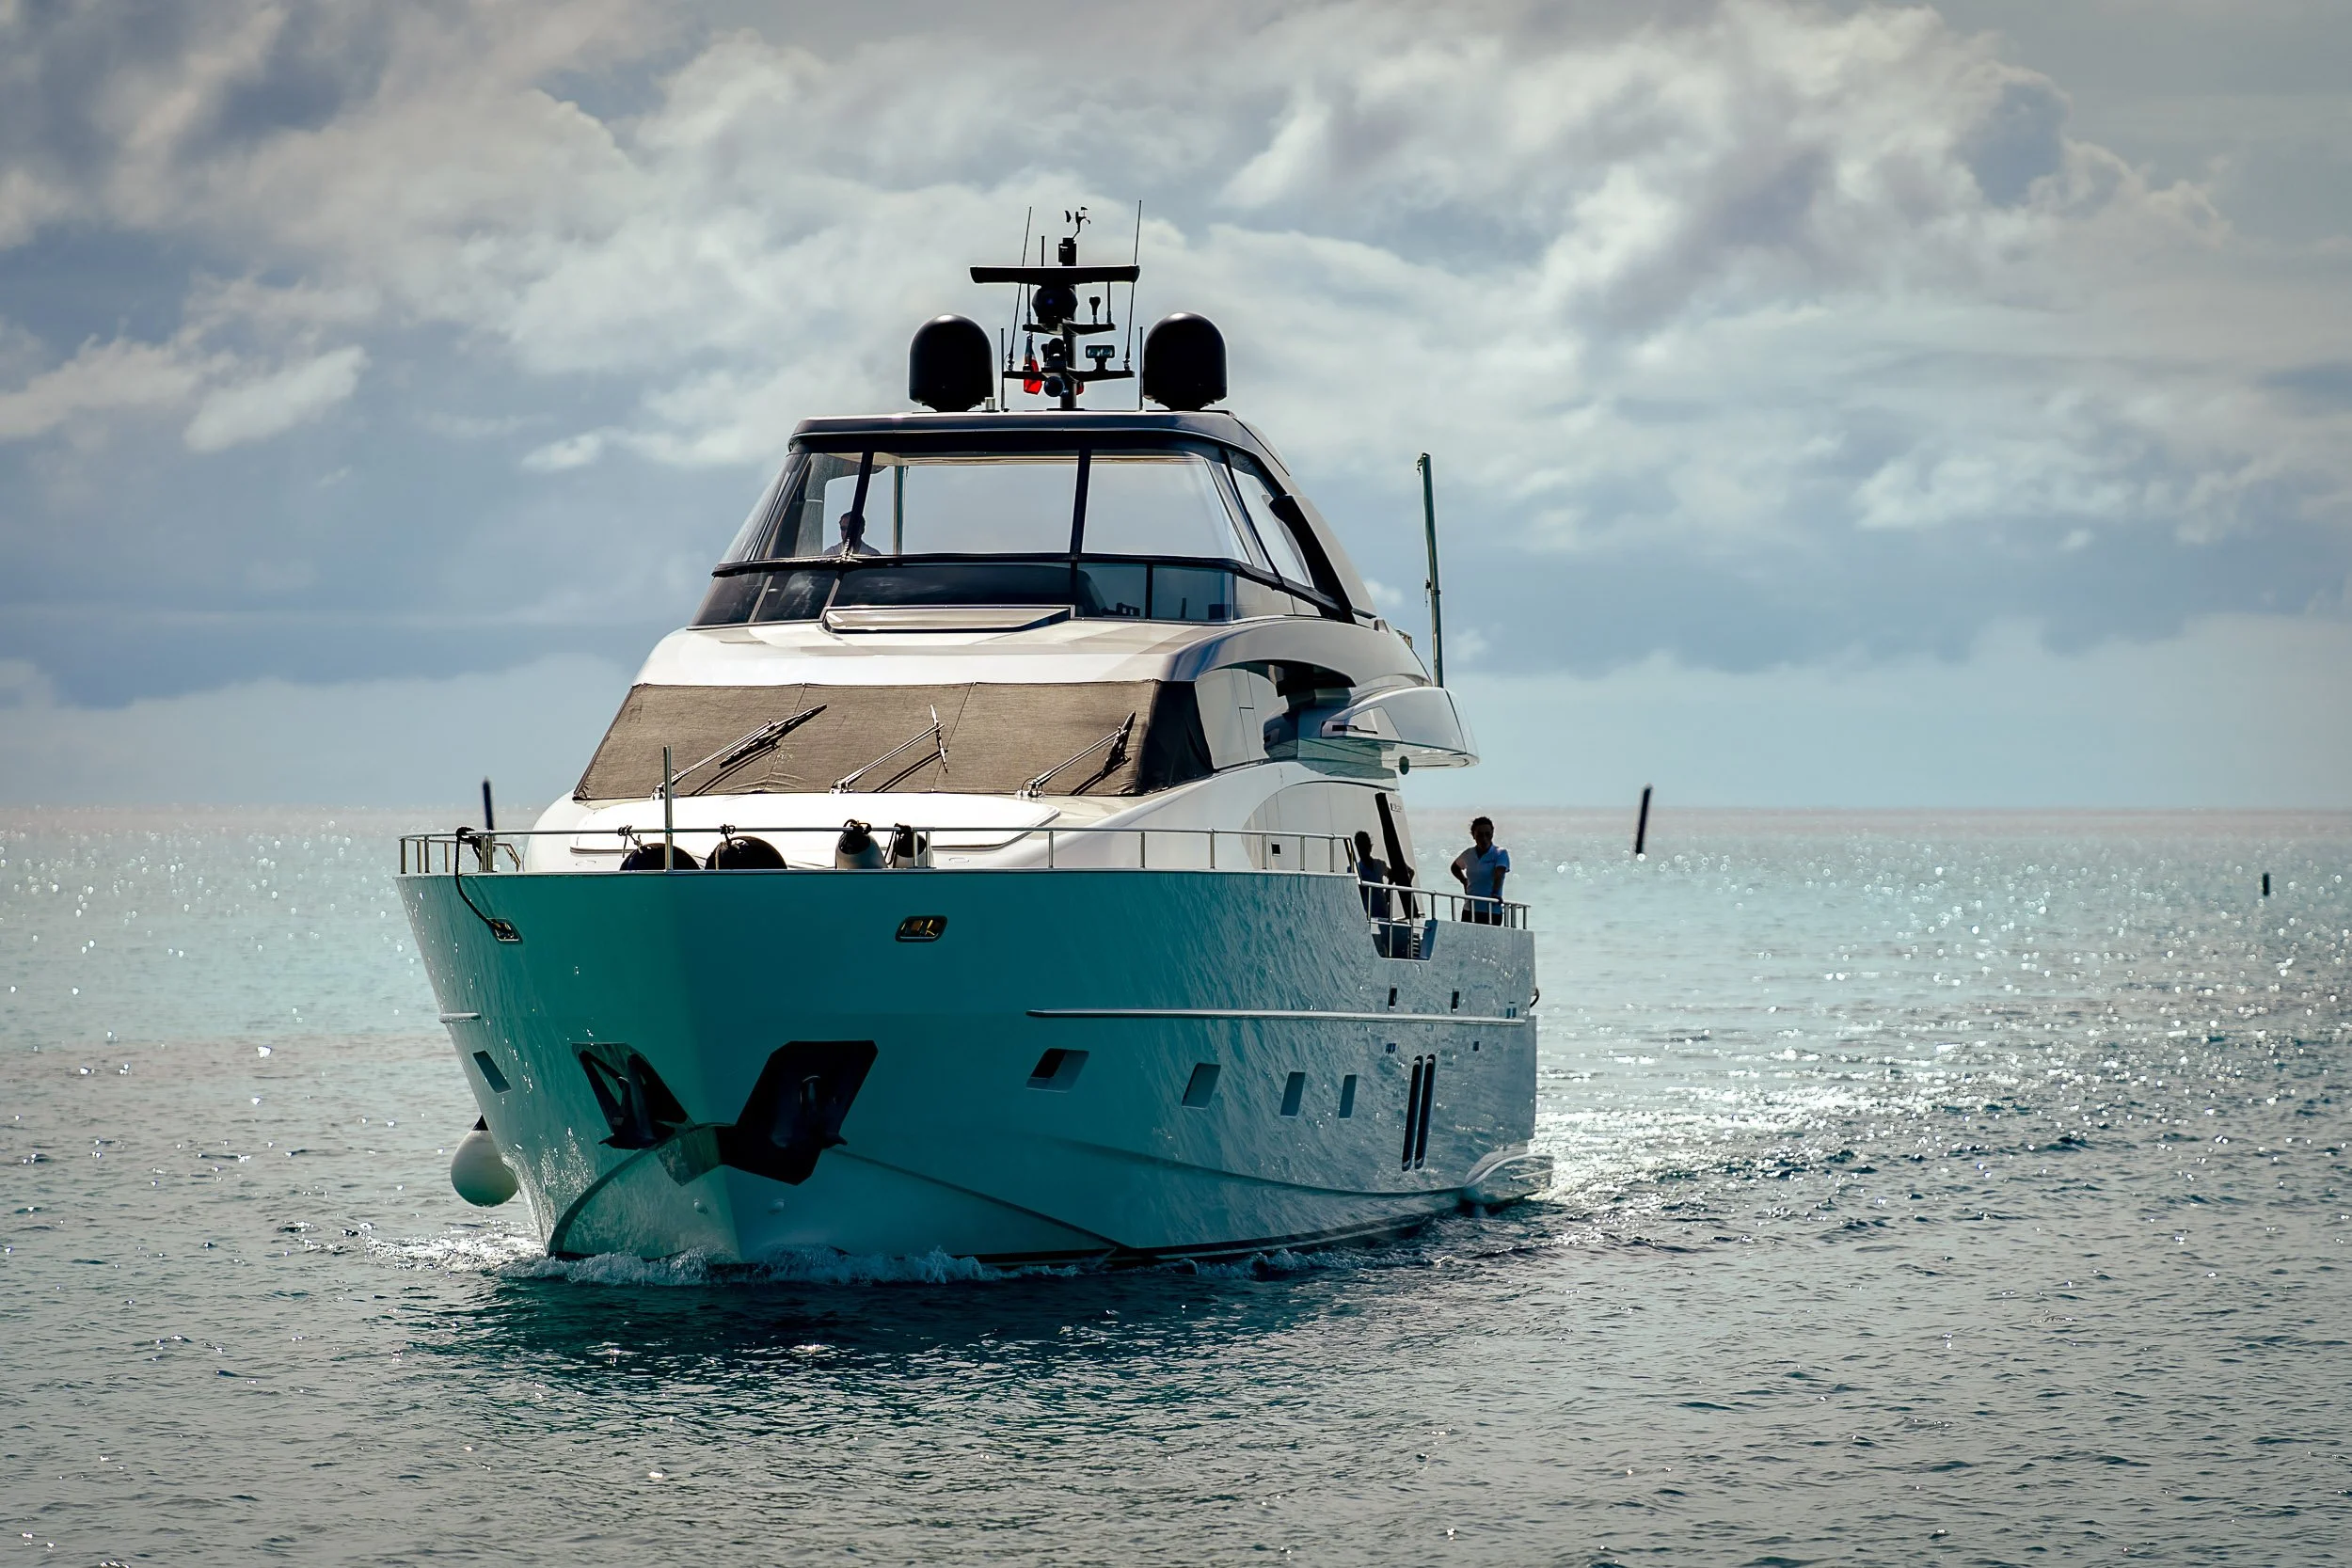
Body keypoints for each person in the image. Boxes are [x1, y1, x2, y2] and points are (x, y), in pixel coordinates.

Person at [1451, 816, 1509, 924]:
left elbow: (1499, 873)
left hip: (1492, 909)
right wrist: (1464, 881)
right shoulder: (1469, 853)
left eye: (1487, 834)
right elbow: (1455, 867)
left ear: (1492, 833)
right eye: (1480, 835)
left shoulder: (1500, 853)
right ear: (1473, 835)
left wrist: (1496, 892)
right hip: (1470, 908)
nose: (1484, 839)